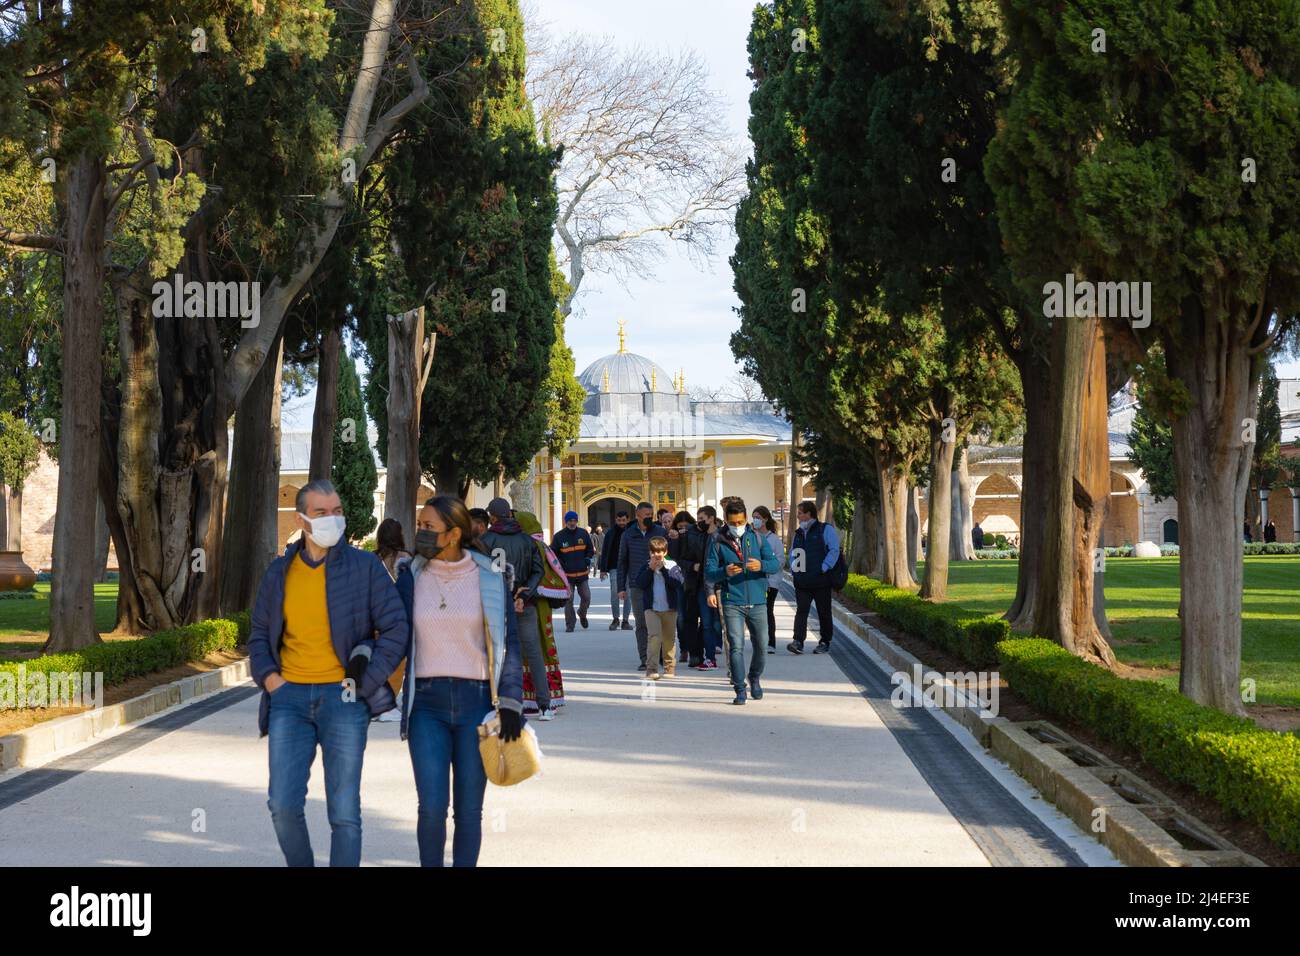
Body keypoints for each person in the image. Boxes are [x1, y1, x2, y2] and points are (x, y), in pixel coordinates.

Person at [247, 479, 407, 867]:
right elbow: (258, 637)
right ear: (303, 519)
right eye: (322, 513)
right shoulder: (279, 574)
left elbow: (396, 627)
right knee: (282, 805)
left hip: (345, 700)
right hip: (289, 701)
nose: (333, 519)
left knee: (344, 813)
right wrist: (272, 682)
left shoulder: (365, 567)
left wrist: (364, 681)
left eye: (337, 511)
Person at [395, 494, 524, 867]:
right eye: (419, 525)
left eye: (427, 527)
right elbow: (391, 634)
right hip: (426, 706)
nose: (419, 532)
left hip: (477, 704)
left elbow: (508, 644)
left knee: (469, 810)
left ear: (452, 534)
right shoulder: (411, 577)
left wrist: (512, 701)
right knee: (431, 808)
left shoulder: (489, 576)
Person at [479, 497, 555, 720]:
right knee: (533, 653)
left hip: (495, 603)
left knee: (492, 652)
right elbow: (538, 571)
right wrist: (525, 592)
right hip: (524, 603)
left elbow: (483, 572)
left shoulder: (486, 539)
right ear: (510, 515)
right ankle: (544, 705)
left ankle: (493, 703)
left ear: (492, 517)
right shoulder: (527, 540)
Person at [705, 499, 779, 705]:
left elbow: (775, 564)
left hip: (757, 601)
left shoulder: (758, 537)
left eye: (740, 522)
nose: (736, 526)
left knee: (762, 645)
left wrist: (761, 565)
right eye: (732, 523)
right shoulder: (717, 540)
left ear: (746, 519)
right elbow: (709, 572)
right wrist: (724, 571)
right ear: (726, 521)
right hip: (732, 601)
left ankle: (754, 676)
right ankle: (739, 688)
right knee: (736, 646)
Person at [516, 510, 568, 711]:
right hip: (540, 604)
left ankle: (537, 698)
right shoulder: (542, 545)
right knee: (542, 647)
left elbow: (541, 575)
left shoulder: (532, 546)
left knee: (533, 649)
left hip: (533, 603)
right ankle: (544, 696)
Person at [618, 501, 668, 670]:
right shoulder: (628, 534)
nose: (649, 518)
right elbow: (622, 562)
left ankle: (659, 654)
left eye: (651, 515)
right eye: (646, 515)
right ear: (637, 515)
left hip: (659, 582)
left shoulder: (660, 532)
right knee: (641, 623)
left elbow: (669, 556)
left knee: (660, 621)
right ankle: (645, 658)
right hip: (637, 584)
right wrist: (621, 588)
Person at [787, 499, 840, 655]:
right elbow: (793, 553)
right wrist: (793, 571)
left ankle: (824, 641)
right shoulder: (798, 533)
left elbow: (834, 550)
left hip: (821, 580)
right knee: (801, 611)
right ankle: (798, 641)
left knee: (824, 612)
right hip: (802, 581)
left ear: (809, 514)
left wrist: (824, 568)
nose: (798, 516)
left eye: (800, 513)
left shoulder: (825, 529)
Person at [375, 517, 412, 721]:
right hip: (401, 615)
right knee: (402, 660)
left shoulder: (372, 559)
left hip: (379, 615)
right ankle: (394, 699)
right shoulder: (406, 558)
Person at [634, 536, 685, 680]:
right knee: (654, 637)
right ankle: (651, 669)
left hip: (670, 609)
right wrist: (650, 570)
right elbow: (640, 583)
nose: (657, 555)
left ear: (665, 552)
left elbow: (677, 583)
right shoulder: (645, 566)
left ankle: (669, 668)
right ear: (649, 552)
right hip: (652, 609)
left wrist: (663, 570)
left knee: (669, 639)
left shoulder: (672, 565)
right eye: (654, 552)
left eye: (660, 552)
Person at [551, 510, 594, 632]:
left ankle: (582, 613)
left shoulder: (583, 533)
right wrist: (560, 564)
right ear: (566, 522)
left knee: (586, 597)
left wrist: (587, 557)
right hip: (566, 575)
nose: (572, 523)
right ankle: (570, 624)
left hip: (582, 574)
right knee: (568, 600)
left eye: (574, 520)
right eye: (570, 521)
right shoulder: (559, 536)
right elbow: (553, 553)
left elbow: (590, 549)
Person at [666, 510, 700, 664]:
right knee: (681, 618)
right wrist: (674, 540)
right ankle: (684, 648)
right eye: (680, 527)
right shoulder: (673, 537)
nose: (683, 529)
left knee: (696, 617)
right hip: (679, 581)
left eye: (686, 526)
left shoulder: (697, 536)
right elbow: (672, 557)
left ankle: (697, 649)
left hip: (696, 580)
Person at [692, 505, 722, 670]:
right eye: (697, 520)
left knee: (724, 624)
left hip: (721, 587)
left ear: (711, 518)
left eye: (702, 519)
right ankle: (710, 658)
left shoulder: (722, 536)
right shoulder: (700, 536)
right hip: (703, 587)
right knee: (706, 623)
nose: (699, 523)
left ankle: (733, 659)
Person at [752, 506, 786, 653]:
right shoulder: (751, 536)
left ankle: (771, 642)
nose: (755, 520)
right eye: (753, 517)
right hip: (754, 582)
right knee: (756, 613)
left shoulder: (773, 540)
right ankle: (759, 641)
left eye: (758, 517)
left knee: (767, 610)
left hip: (770, 582)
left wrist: (764, 566)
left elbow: (780, 561)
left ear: (765, 519)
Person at [598, 510, 631, 631]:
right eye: (619, 520)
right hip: (614, 567)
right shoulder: (610, 533)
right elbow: (605, 551)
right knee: (614, 593)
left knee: (628, 594)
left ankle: (626, 620)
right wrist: (603, 569)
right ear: (616, 520)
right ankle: (615, 618)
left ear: (627, 520)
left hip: (629, 568)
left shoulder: (631, 532)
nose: (621, 522)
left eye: (623, 520)